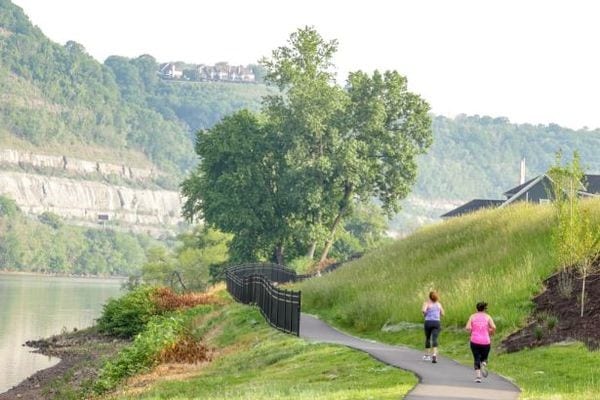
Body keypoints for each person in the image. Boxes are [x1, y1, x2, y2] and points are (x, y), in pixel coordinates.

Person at [465, 301, 496, 383]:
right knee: (484, 358)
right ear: (485, 309)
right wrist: (491, 332)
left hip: (474, 340)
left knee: (476, 358)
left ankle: (478, 377)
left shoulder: (472, 316)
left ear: (476, 309)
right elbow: (493, 327)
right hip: (486, 341)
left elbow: (468, 328)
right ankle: (484, 364)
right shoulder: (488, 317)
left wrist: (472, 331)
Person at [422, 290, 444, 363]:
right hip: (436, 322)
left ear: (429, 297)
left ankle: (427, 356)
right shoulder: (439, 304)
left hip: (428, 322)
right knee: (435, 339)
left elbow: (424, 311)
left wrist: (425, 315)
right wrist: (438, 314)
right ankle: (434, 355)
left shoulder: (426, 303)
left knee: (428, 338)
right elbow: (443, 313)